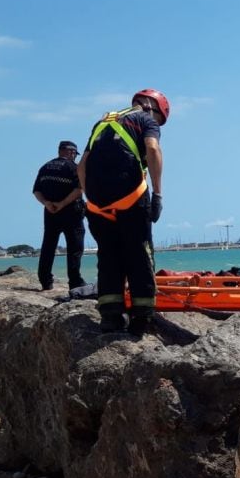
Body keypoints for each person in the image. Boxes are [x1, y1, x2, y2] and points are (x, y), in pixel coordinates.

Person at [79, 89, 169, 335]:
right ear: (153, 107)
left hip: (97, 205)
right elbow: (152, 150)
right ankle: (142, 318)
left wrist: (91, 200)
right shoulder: (145, 120)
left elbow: (82, 166)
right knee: (139, 253)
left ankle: (110, 316)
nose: (158, 124)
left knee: (108, 256)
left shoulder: (102, 122)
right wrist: (158, 194)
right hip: (131, 198)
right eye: (160, 120)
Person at [32, 140, 86, 291]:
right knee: (75, 247)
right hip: (71, 212)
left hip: (50, 213)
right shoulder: (74, 168)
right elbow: (79, 190)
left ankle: (45, 280)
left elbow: (36, 190)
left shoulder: (45, 167)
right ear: (69, 152)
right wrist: (62, 204)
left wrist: (47, 203)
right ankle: (75, 281)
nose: (75, 156)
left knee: (48, 245)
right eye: (74, 153)